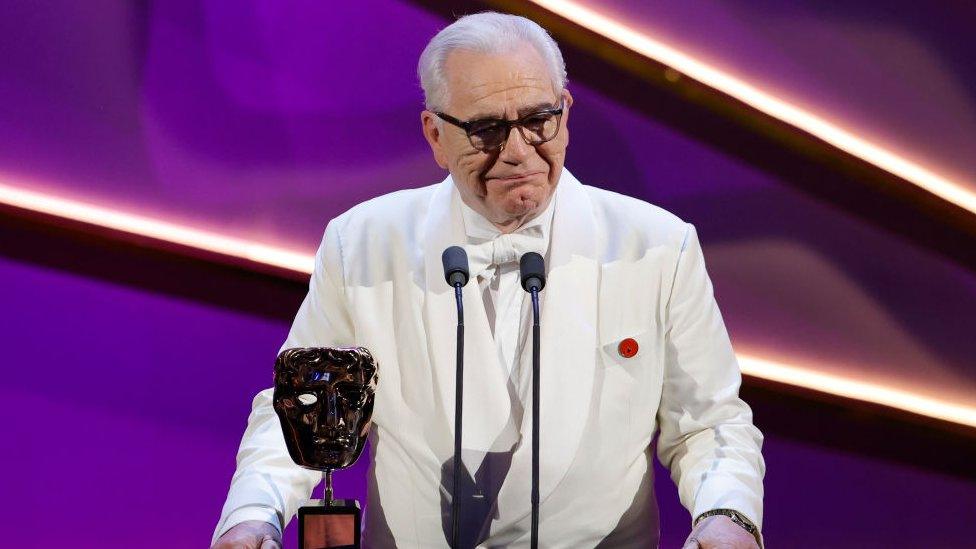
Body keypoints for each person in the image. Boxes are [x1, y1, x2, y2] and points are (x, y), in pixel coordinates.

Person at [212, 11, 764, 549]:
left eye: (538, 120)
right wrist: (253, 514)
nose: (518, 151)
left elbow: (709, 423)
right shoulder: (361, 244)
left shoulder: (658, 247)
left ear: (566, 113)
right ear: (435, 134)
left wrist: (727, 515)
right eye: (486, 129)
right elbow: (302, 408)